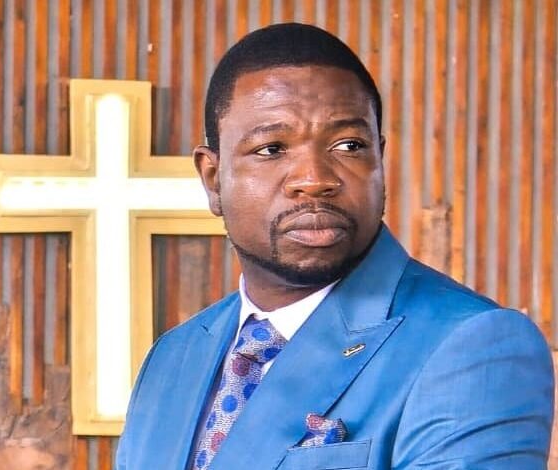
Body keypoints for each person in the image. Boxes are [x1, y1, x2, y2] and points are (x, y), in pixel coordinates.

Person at [115, 23, 554, 469]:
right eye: (271, 149)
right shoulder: (172, 357)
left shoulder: (474, 347)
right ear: (213, 180)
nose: (314, 179)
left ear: (379, 159)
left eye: (349, 145)